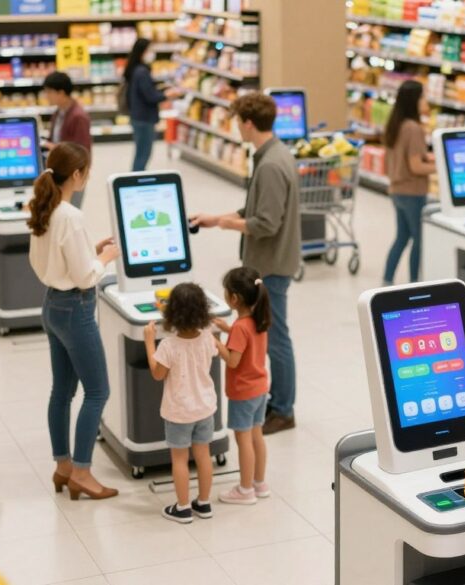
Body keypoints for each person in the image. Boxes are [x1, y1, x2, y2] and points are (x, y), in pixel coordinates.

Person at [189, 93, 300, 435]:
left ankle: (283, 410)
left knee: (276, 338)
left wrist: (226, 224)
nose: (236, 127)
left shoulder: (270, 165)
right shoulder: (274, 154)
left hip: (271, 265)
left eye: (238, 121)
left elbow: (266, 223)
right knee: (271, 335)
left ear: (249, 123)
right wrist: (214, 218)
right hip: (273, 260)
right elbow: (254, 208)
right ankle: (278, 403)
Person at [28, 142, 120, 501]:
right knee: (98, 392)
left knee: (62, 392)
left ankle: (63, 466)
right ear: (77, 174)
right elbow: (85, 277)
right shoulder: (71, 215)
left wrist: (90, 251)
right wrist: (106, 258)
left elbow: (49, 259)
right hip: (76, 309)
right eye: (87, 171)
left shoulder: (45, 208)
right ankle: (82, 472)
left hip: (52, 305)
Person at [143, 282, 218, 524]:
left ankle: (183, 507)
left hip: (179, 412)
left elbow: (157, 374)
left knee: (179, 459)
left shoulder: (168, 345)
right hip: (204, 408)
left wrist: (149, 342)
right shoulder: (207, 337)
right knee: (203, 456)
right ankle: (204, 503)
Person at [212, 267, 272, 505]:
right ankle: (259, 483)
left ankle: (245, 490)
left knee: (243, 441)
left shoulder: (240, 327)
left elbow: (233, 360)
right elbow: (247, 342)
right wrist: (227, 329)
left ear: (234, 298)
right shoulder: (259, 320)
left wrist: (216, 343)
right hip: (260, 388)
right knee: (257, 436)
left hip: (243, 393)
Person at [382, 80, 434, 286]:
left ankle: (387, 280)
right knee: (419, 240)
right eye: (423, 97)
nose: (425, 101)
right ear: (414, 100)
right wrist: (442, 167)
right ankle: (415, 282)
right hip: (413, 192)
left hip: (397, 190)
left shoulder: (395, 124)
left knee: (402, 237)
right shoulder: (413, 128)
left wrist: (429, 159)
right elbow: (416, 166)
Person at [124, 38, 182, 171]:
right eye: (150, 50)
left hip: (138, 116)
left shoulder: (135, 69)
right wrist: (167, 95)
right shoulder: (142, 72)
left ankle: (136, 176)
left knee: (141, 152)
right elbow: (150, 96)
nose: (152, 53)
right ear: (143, 51)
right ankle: (136, 178)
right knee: (143, 154)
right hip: (144, 118)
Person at [41, 71, 91, 208]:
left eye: (49, 92)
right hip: (59, 172)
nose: (46, 96)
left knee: (70, 211)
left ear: (61, 93)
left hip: (72, 176)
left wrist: (53, 147)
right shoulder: (58, 113)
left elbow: (81, 152)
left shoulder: (78, 117)